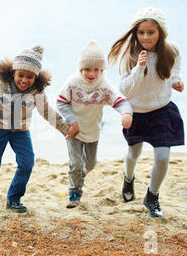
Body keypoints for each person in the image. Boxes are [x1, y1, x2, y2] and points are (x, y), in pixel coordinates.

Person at [107, 7, 184, 218]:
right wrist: (139, 68)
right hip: (137, 113)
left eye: (151, 32)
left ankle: (152, 195)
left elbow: (175, 68)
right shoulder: (129, 55)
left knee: (162, 157)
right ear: (135, 33)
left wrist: (176, 81)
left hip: (161, 111)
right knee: (133, 154)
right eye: (141, 32)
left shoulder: (171, 50)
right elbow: (124, 89)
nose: (145, 37)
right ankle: (128, 178)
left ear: (160, 32)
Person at [0, 45, 69, 213]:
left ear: (36, 77)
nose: (24, 80)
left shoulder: (36, 92)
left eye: (30, 77)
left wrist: (64, 129)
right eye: (21, 75)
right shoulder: (1, 84)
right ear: (13, 72)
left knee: (27, 162)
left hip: (20, 132)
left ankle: (13, 199)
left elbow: (47, 112)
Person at [57, 40, 133, 208]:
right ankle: (75, 193)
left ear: (102, 70)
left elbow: (121, 102)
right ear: (80, 69)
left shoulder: (104, 86)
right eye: (87, 69)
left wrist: (126, 113)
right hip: (74, 130)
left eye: (96, 70)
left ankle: (78, 177)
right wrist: (72, 121)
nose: (92, 74)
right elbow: (61, 102)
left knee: (90, 164)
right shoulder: (73, 82)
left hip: (93, 131)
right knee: (76, 163)